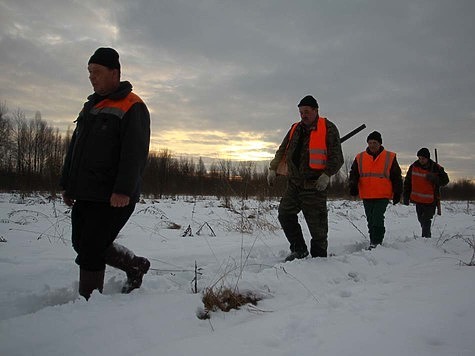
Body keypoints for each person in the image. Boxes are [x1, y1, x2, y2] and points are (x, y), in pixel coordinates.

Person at [60, 47, 151, 300]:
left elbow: (135, 152)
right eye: (89, 72)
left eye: (97, 72)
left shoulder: (132, 105)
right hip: (85, 191)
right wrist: (67, 184)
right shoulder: (90, 107)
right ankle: (135, 265)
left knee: (91, 247)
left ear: (115, 73)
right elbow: (75, 149)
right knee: (82, 243)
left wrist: (123, 189)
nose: (92, 77)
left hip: (113, 195)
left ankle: (88, 302)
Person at [267, 95, 344, 261]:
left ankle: (319, 259)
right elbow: (282, 150)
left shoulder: (328, 128)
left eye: (307, 112)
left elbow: (337, 157)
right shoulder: (295, 128)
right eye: (301, 112)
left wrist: (326, 174)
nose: (303, 115)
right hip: (294, 184)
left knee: (318, 229)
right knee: (285, 214)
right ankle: (299, 250)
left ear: (316, 111)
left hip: (315, 186)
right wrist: (273, 168)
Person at [349, 131, 402, 250]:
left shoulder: (389, 157)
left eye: (375, 143)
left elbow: (396, 176)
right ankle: (373, 240)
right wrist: (353, 186)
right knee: (370, 219)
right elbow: (354, 174)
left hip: (382, 194)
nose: (372, 145)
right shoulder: (360, 157)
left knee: (377, 217)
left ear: (380, 143)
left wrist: (398, 192)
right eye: (370, 142)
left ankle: (377, 242)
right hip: (366, 194)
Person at [403, 148, 449, 238]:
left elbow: (445, 180)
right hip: (418, 200)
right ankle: (426, 236)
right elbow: (408, 182)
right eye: (419, 158)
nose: (421, 160)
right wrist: (406, 196)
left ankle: (426, 238)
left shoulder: (436, 167)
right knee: (421, 219)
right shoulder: (413, 167)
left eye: (423, 158)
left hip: (431, 200)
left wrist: (435, 179)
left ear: (427, 158)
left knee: (426, 219)